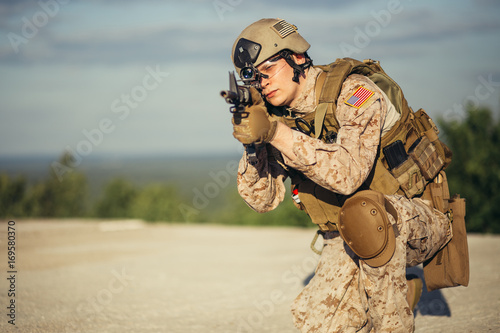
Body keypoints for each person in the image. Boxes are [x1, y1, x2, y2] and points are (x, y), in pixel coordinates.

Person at [228, 18, 460, 332]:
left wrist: (275, 134)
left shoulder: (355, 92)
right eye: (253, 76)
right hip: (347, 235)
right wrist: (253, 143)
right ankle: (394, 289)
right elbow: (262, 200)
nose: (262, 82)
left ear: (296, 57)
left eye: (267, 69)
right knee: (317, 323)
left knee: (367, 215)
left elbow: (349, 176)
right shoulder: (279, 118)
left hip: (415, 220)